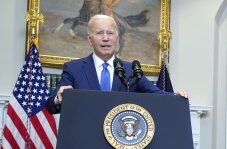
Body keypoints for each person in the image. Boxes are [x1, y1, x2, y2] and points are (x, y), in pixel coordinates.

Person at [45, 14, 187, 114]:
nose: (106, 38)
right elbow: (50, 105)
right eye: (99, 33)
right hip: (86, 144)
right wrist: (59, 98)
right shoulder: (74, 69)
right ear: (90, 39)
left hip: (121, 143)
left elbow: (155, 93)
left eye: (110, 33)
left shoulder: (131, 70)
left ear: (117, 38)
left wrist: (176, 97)